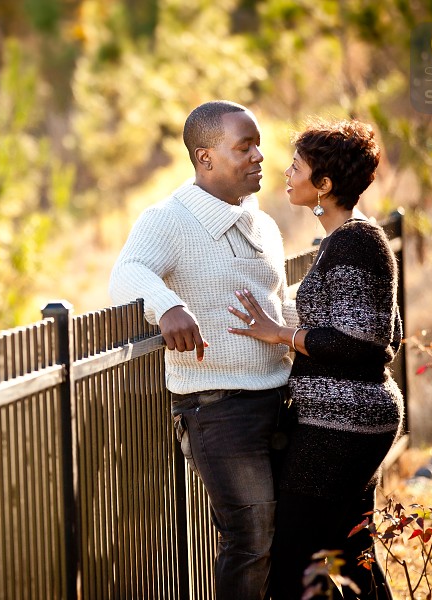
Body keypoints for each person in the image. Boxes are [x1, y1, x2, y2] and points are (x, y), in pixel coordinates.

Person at [108, 100, 296, 600]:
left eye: (258, 145)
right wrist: (167, 307)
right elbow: (127, 273)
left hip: (281, 399)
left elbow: (279, 305)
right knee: (251, 536)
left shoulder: (264, 225)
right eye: (244, 147)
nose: (259, 156)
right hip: (218, 409)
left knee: (288, 534)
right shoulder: (167, 219)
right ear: (205, 157)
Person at [228, 118, 402, 599]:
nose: (286, 173)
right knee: (350, 550)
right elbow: (384, 331)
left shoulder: (354, 241)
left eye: (296, 167)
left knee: (296, 557)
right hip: (348, 418)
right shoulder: (349, 240)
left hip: (341, 424)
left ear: (323, 184)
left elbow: (362, 339)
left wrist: (281, 334)